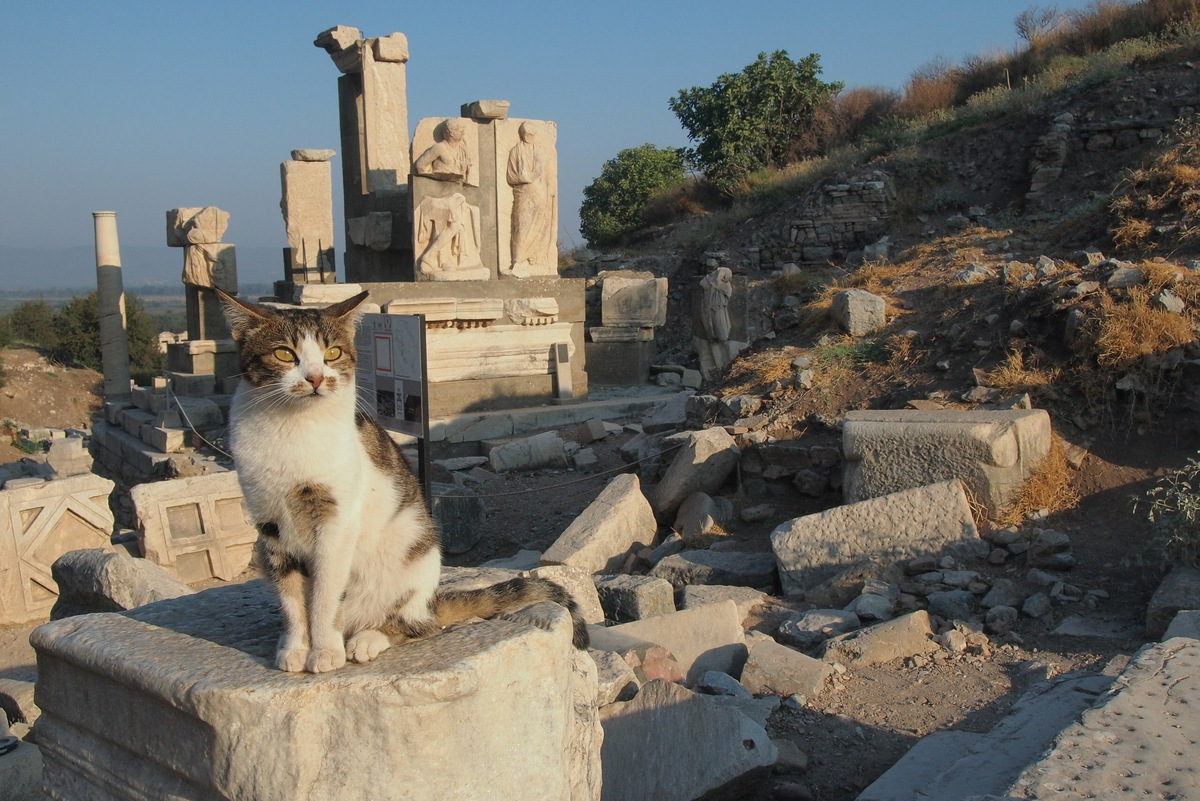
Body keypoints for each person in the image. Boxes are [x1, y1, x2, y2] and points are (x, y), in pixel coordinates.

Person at [505, 122, 553, 276]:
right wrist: (523, 177)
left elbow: (545, 173)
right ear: (522, 134)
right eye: (527, 134)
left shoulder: (540, 151)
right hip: (523, 192)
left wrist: (536, 179)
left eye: (532, 134)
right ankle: (518, 261)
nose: (529, 137)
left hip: (540, 194)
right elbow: (510, 176)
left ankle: (535, 260)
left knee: (540, 226)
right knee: (521, 226)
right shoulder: (515, 151)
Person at [413, 118, 472, 183]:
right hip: (439, 185)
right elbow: (420, 165)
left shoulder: (463, 150)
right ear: (451, 132)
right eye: (460, 131)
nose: (463, 133)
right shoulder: (439, 147)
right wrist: (430, 180)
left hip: (458, 185)